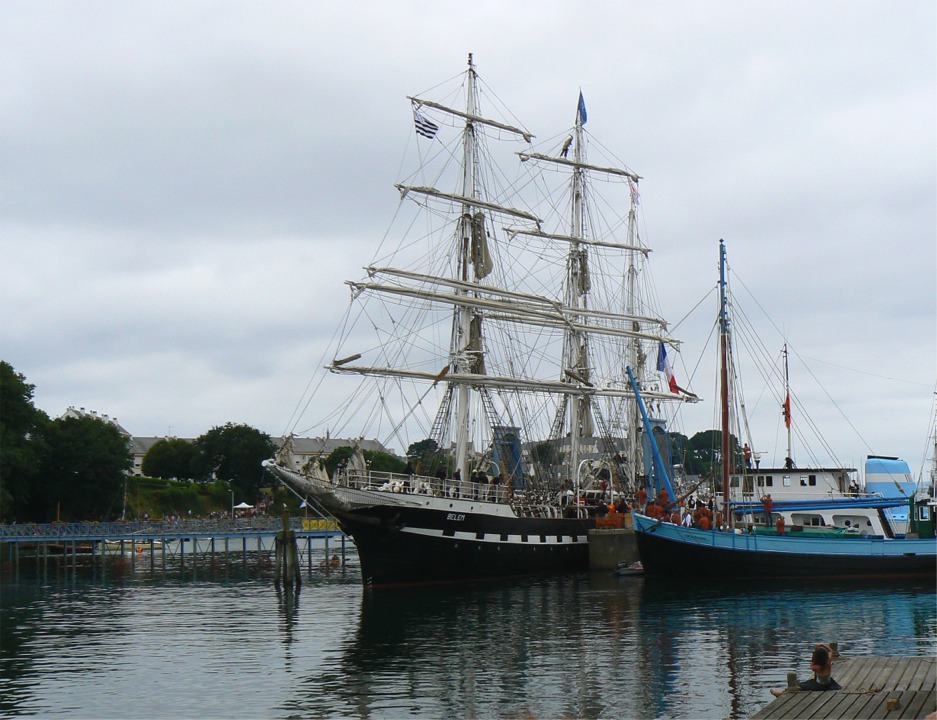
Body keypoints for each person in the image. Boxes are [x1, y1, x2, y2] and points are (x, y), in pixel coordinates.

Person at [771, 643, 840, 697]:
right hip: (829, 683)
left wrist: (815, 652)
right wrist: (823, 645)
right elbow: (830, 650)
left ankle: (782, 692)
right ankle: (783, 691)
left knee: (800, 685)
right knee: (806, 682)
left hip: (819, 686)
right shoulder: (828, 662)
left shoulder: (816, 667)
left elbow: (812, 663)